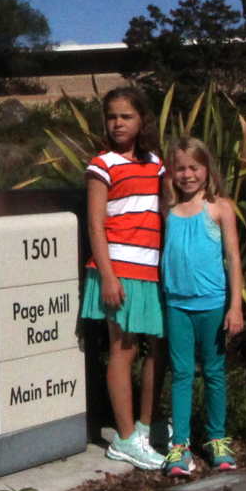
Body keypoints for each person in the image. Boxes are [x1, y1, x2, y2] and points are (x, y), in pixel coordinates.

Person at [82, 86, 166, 469]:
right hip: (118, 268)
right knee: (123, 349)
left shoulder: (157, 164)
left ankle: (144, 428)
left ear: (142, 120)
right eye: (112, 116)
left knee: (157, 348)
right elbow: (95, 225)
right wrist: (109, 276)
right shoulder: (102, 164)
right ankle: (125, 437)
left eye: (126, 116)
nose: (118, 123)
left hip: (150, 270)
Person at [158, 137, 246, 477]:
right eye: (180, 168)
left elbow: (233, 258)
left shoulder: (220, 207)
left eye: (194, 167)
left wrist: (235, 306)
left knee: (213, 372)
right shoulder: (167, 210)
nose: (187, 175)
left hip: (213, 304)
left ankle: (217, 439)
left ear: (206, 168)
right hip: (177, 304)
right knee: (181, 374)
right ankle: (180, 445)